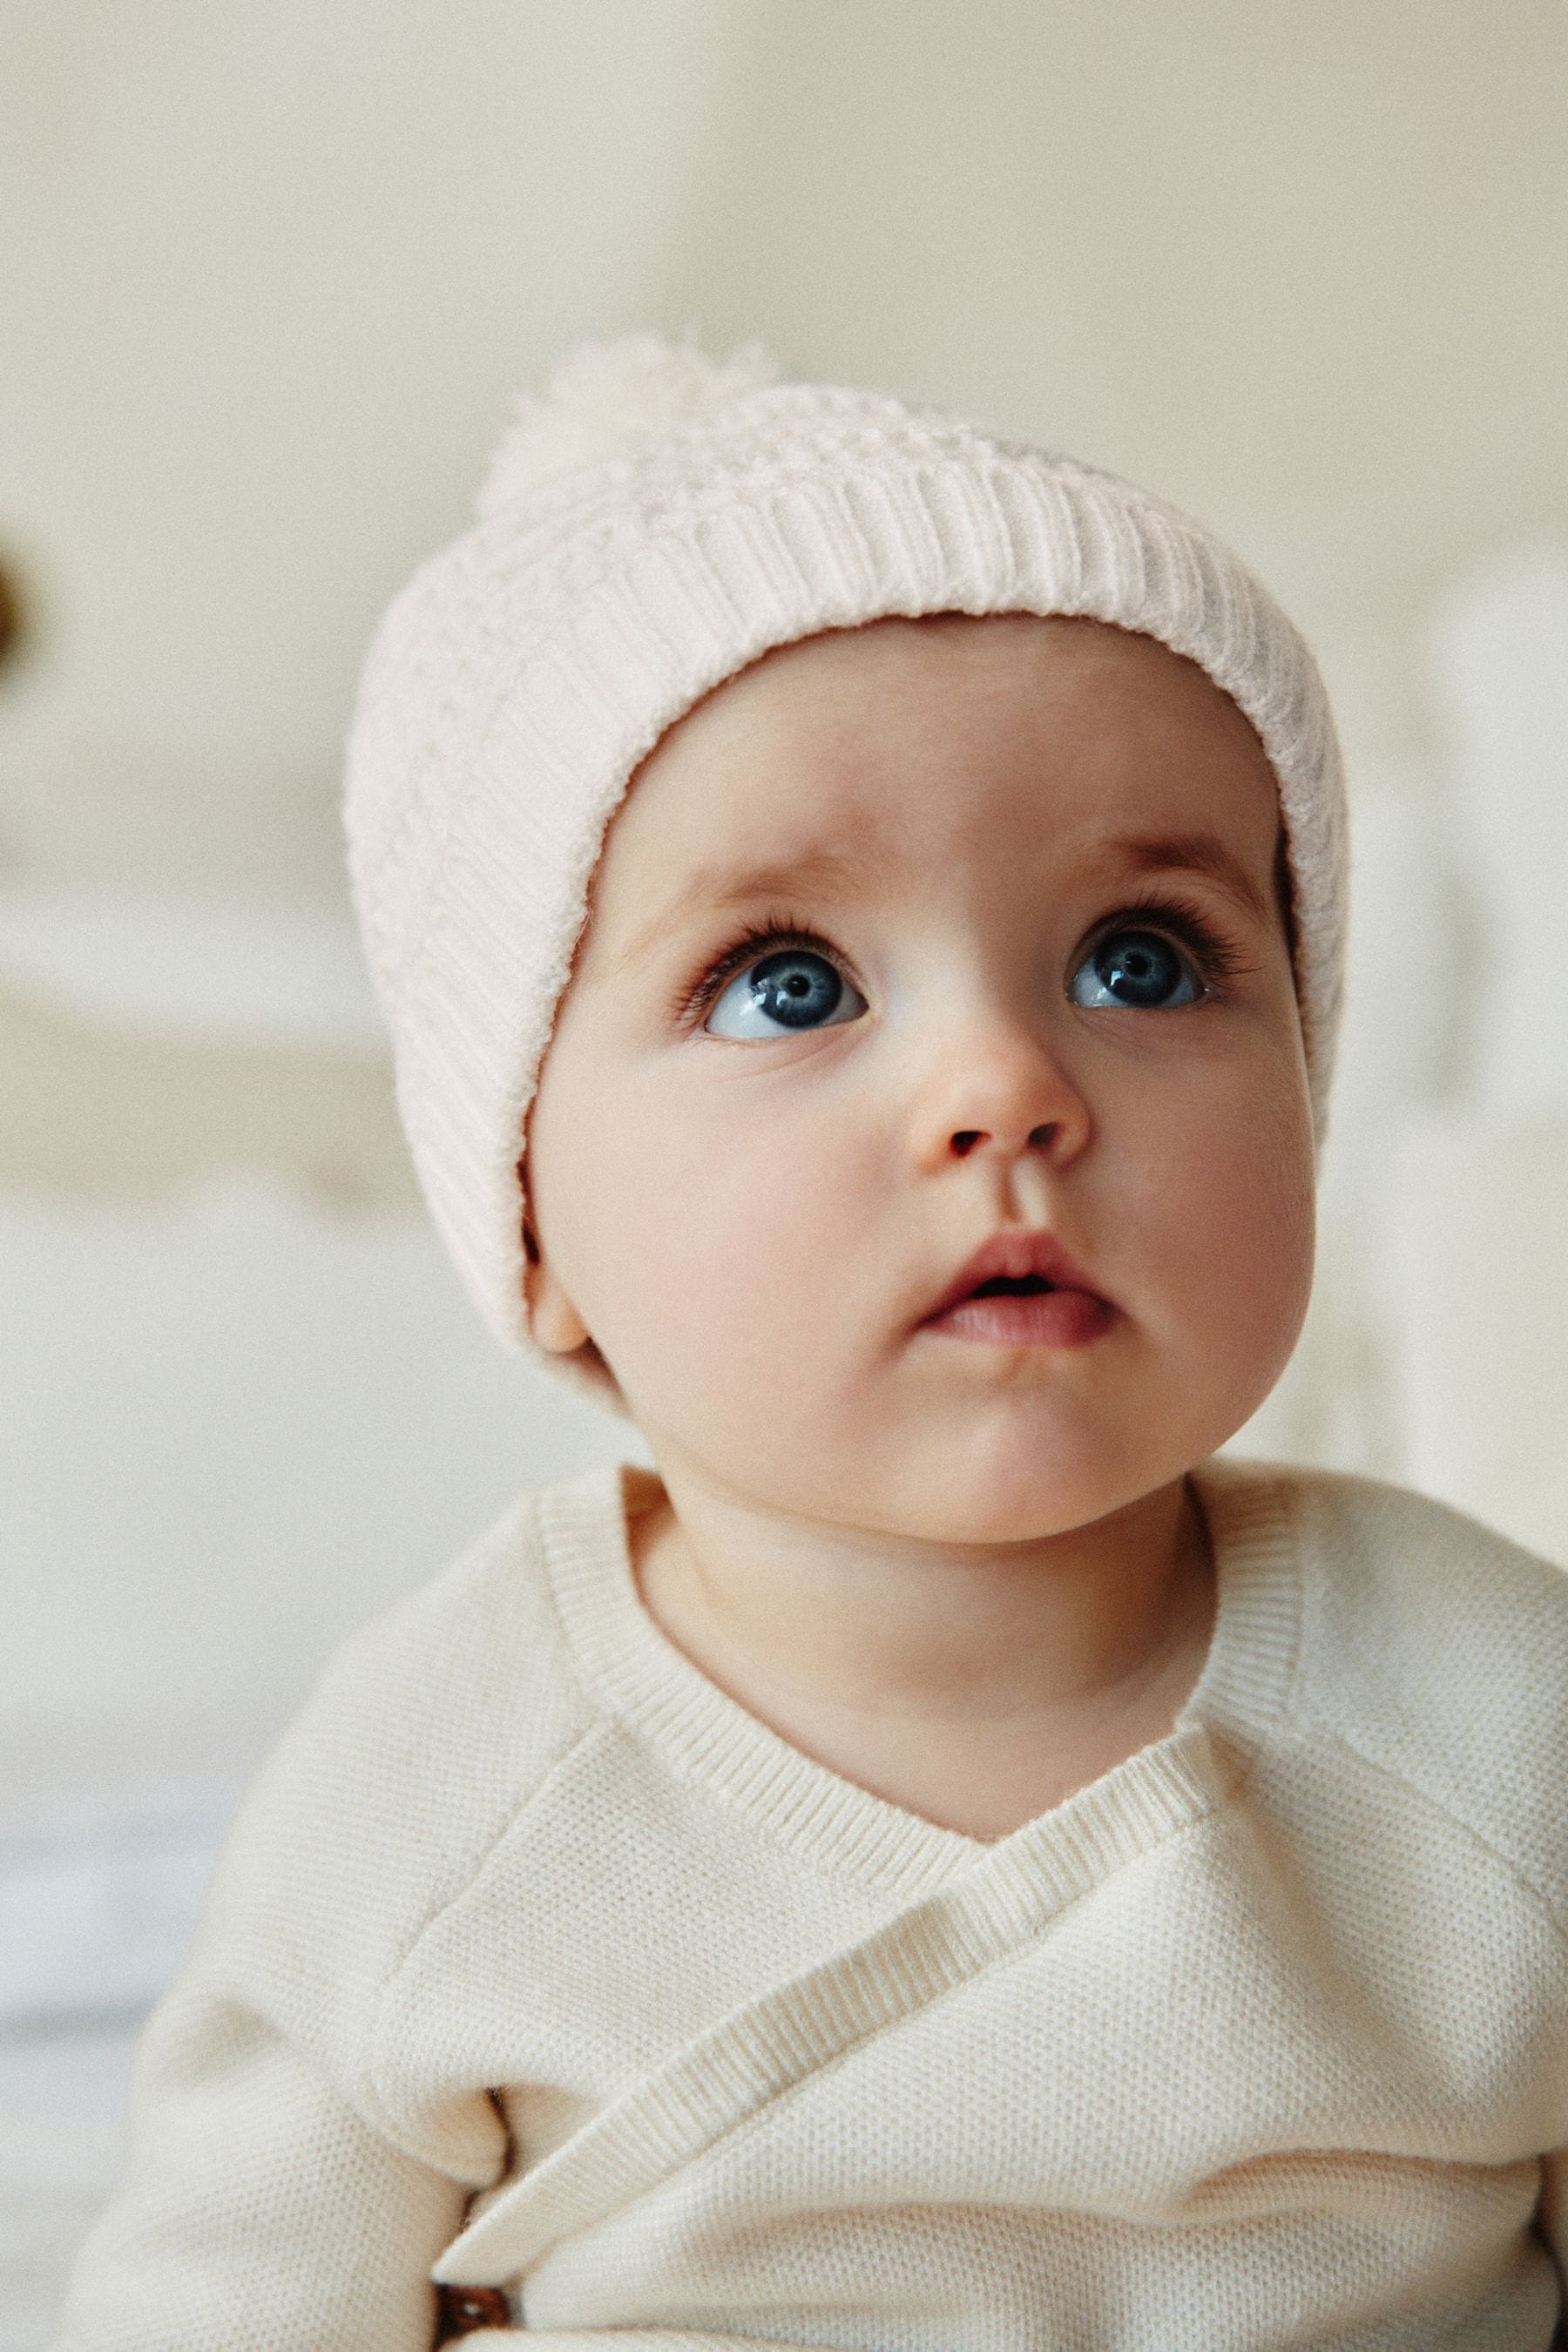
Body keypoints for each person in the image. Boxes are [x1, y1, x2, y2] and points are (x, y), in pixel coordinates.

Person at [52, 336, 1568, 2349]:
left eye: (1146, 960)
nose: (1007, 1089)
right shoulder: (439, 1786)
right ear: (530, 1215)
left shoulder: (1493, 1719)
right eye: (789, 985)